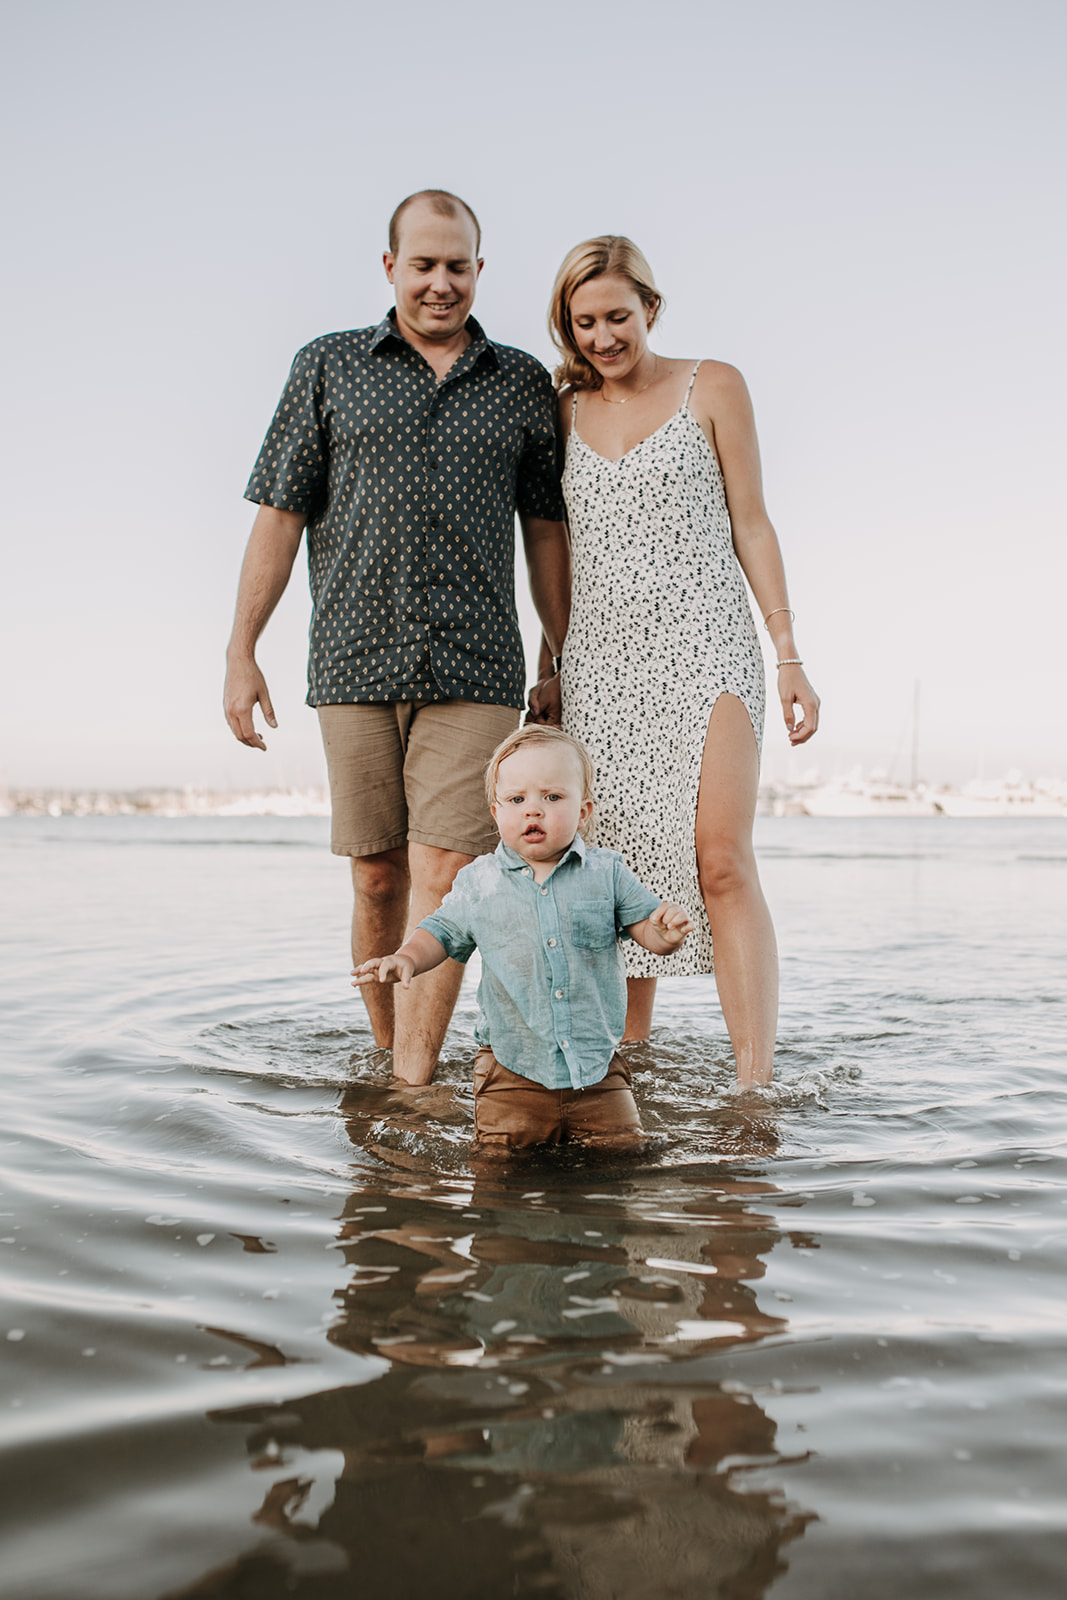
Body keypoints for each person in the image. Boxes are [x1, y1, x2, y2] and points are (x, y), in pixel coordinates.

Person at [223, 190, 570, 1085]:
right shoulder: (328, 367)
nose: (441, 282)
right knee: (376, 878)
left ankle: (413, 1085)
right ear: (390, 268)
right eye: (423, 264)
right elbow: (279, 516)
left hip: (476, 663)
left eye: (458, 265)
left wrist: (556, 653)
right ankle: (386, 1061)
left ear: (479, 272)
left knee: (448, 874)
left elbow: (545, 531)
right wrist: (240, 649)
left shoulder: (522, 382)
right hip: (351, 660)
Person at [531, 237, 820, 1089]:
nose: (603, 338)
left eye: (617, 316)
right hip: (600, 662)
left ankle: (752, 1087)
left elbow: (752, 523)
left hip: (707, 647)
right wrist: (550, 660)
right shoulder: (560, 411)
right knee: (613, 871)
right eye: (584, 323)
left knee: (718, 858)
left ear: (650, 309)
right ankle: (629, 1068)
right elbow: (553, 554)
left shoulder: (713, 384)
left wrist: (789, 654)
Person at [353, 726, 694, 1152]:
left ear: (584, 810)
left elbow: (646, 930)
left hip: (598, 1072)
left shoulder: (608, 873)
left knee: (624, 1155)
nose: (533, 811)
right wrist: (406, 957)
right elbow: (441, 931)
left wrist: (664, 935)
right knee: (499, 1165)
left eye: (552, 798)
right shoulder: (479, 881)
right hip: (509, 1073)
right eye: (517, 800)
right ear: (496, 812)